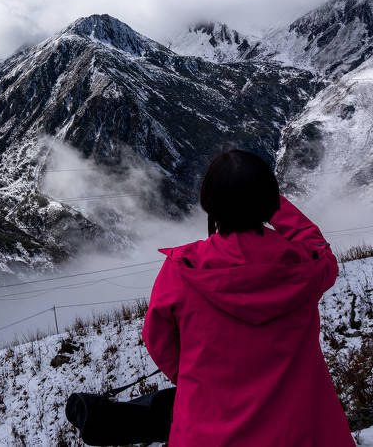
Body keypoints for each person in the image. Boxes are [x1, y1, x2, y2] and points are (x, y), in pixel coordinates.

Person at [142, 149, 355, 446]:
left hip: (206, 433)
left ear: (210, 205)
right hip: (302, 430)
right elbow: (318, 246)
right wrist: (267, 202)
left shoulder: (182, 272)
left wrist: (196, 379)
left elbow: (159, 342)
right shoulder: (305, 265)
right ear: (268, 203)